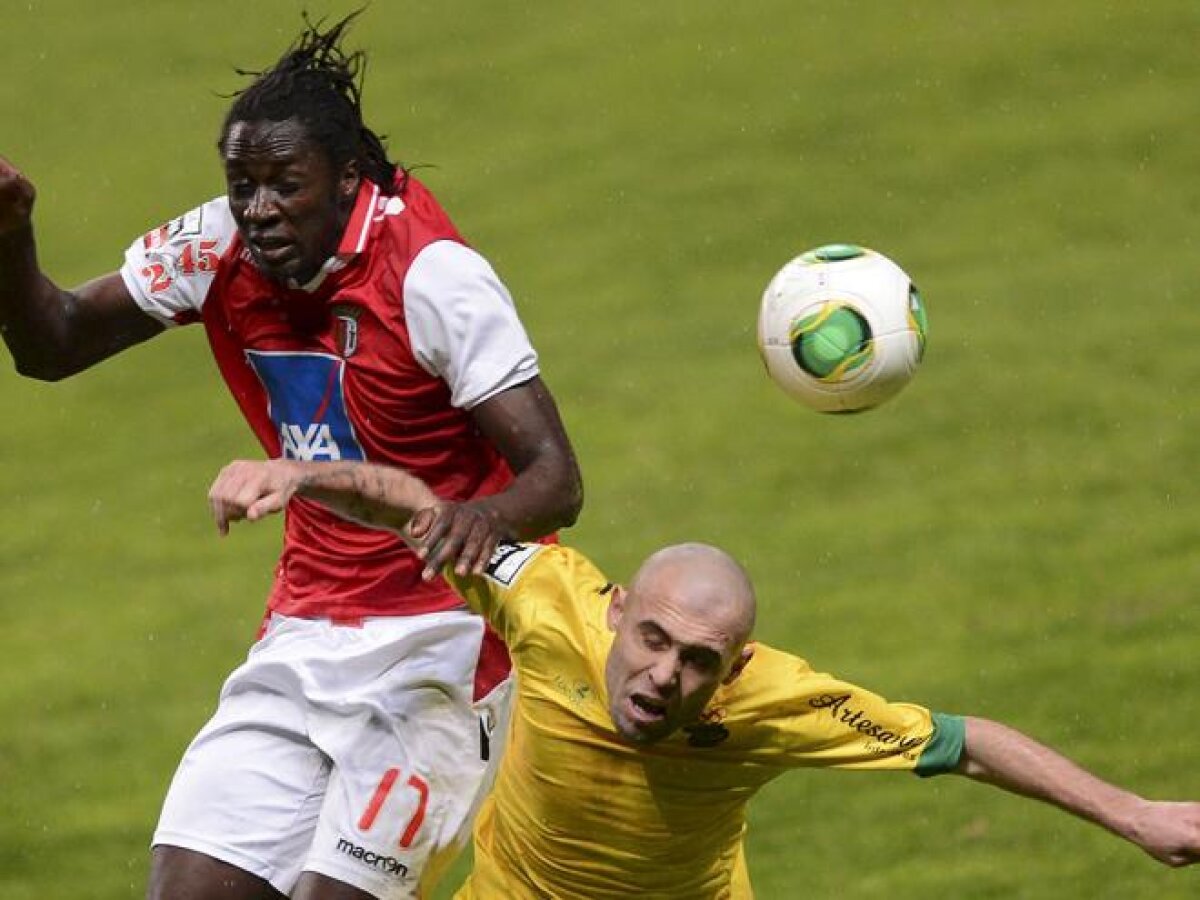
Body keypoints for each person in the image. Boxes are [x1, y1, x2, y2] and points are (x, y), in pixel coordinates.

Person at [0, 14, 583, 900]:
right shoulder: (219, 243)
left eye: (285, 185)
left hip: (445, 646)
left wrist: (479, 519)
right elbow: (55, 342)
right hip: (305, 631)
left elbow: (556, 478)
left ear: (347, 178)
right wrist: (11, 234)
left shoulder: (433, 277)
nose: (260, 209)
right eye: (243, 185)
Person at [206, 457, 1200, 898]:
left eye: (697, 663)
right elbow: (414, 508)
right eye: (653, 640)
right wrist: (299, 477)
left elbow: (963, 744)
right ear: (618, 609)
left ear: (736, 669)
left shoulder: (775, 702)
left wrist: (1136, 815)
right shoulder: (547, 599)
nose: (663, 676)